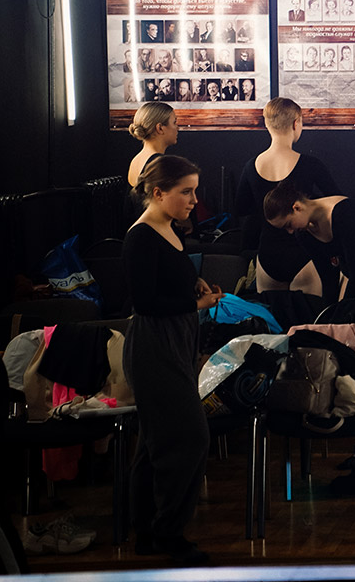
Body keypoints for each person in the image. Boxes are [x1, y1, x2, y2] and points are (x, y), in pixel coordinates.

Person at [122, 155, 223, 565]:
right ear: (158, 193)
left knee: (155, 443)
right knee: (190, 438)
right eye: (186, 192)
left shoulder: (168, 229)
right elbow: (146, 301)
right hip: (155, 345)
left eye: (194, 191)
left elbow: (167, 278)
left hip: (174, 341)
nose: (194, 201)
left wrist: (192, 284)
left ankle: (149, 533)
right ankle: (168, 531)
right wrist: (195, 303)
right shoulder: (141, 237)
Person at [235, 98, 341, 298]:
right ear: (296, 123)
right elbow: (338, 202)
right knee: (307, 314)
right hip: (304, 252)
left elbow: (241, 208)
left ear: (267, 124)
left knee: (271, 316)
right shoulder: (310, 164)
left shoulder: (251, 166)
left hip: (268, 254)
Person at [264, 179, 355, 306]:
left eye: (288, 224)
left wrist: (343, 310)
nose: (290, 231)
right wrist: (329, 312)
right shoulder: (303, 234)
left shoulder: (343, 212)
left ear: (297, 207)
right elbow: (328, 278)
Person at [127, 102, 178, 187]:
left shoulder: (136, 160)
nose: (177, 127)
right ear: (160, 128)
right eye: (174, 122)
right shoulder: (160, 164)